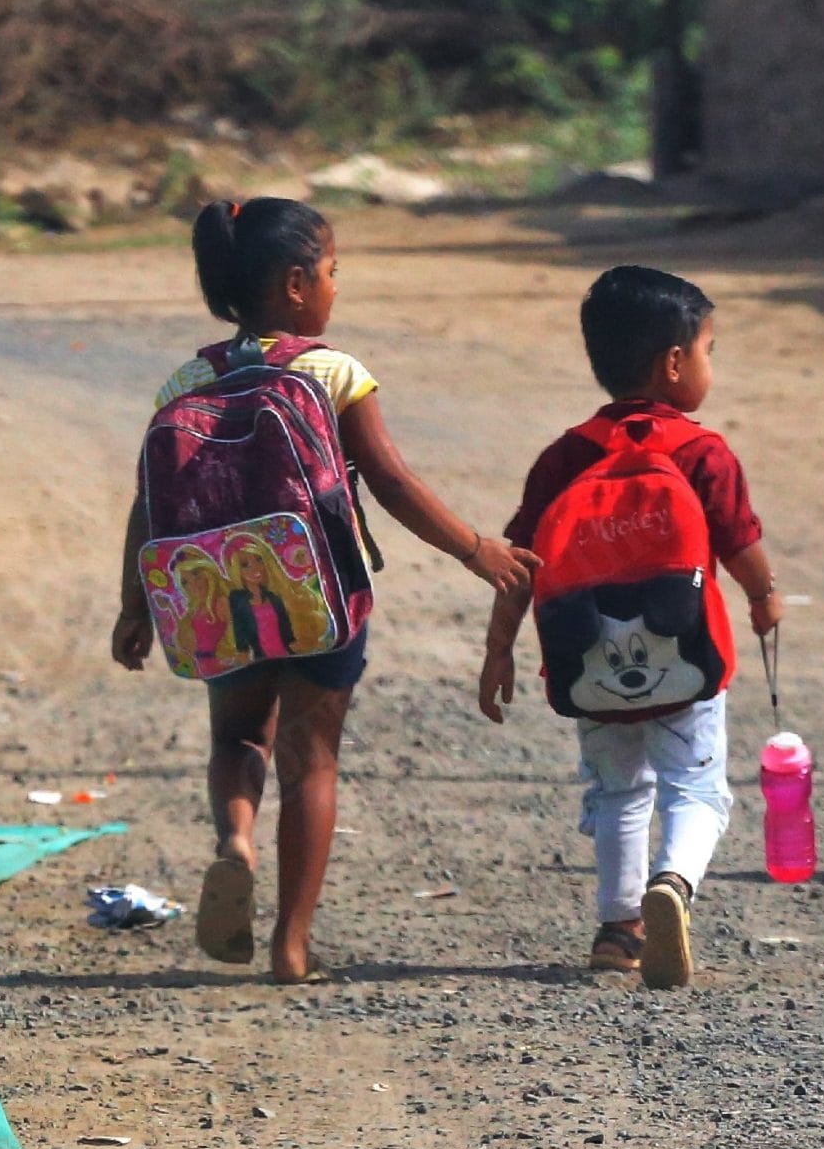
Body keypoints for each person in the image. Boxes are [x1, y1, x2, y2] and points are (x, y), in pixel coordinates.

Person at [111, 198, 539, 983]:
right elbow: (393, 481)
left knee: (237, 739)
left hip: (216, 600)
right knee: (311, 763)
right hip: (319, 599)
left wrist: (135, 603)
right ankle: (291, 946)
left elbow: (150, 502)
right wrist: (476, 549)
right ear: (298, 283)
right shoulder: (332, 371)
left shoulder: (187, 380)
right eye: (334, 271)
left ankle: (234, 841)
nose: (338, 285)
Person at [477, 266, 781, 989]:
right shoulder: (703, 453)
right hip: (686, 661)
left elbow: (520, 561)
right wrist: (766, 598)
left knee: (618, 791)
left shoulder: (566, 456)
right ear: (674, 363)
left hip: (590, 662)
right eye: (708, 349)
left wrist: (497, 651)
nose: (709, 365)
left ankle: (618, 929)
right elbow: (740, 546)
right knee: (696, 789)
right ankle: (673, 885)